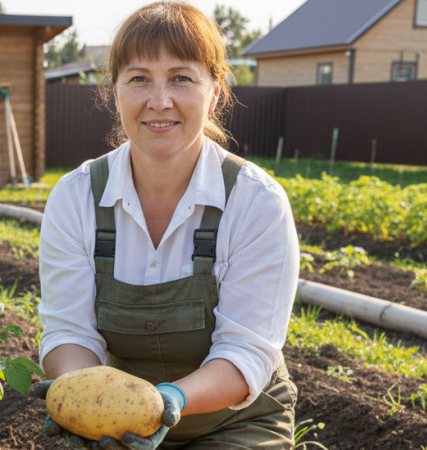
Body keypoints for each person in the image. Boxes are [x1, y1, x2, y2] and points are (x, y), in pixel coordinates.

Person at [29, 2, 300, 449]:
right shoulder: (76, 197)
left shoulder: (255, 202)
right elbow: (69, 330)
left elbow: (247, 350)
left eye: (181, 78)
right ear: (114, 91)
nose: (160, 101)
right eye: (138, 79)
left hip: (234, 424)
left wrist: (168, 400)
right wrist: (82, 396)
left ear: (214, 93)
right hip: (120, 429)